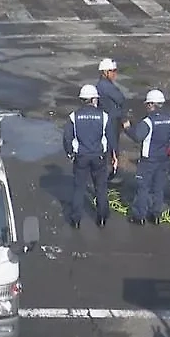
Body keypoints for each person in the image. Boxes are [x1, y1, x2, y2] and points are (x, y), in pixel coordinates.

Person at [122, 91, 170, 225]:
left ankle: (139, 216)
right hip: (164, 159)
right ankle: (156, 215)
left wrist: (127, 128)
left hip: (148, 160)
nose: (146, 107)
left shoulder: (148, 122)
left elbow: (137, 137)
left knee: (143, 188)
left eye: (147, 104)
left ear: (152, 104)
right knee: (158, 188)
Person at [62, 84, 112, 229]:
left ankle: (76, 220)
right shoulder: (104, 116)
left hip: (81, 156)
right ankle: (102, 218)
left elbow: (67, 138)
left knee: (79, 189)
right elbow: (110, 137)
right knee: (101, 188)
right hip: (98, 157)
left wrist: (70, 153)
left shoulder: (73, 116)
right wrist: (109, 154)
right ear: (94, 99)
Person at [95, 59, 126, 158]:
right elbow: (120, 99)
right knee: (112, 149)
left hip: (110, 120)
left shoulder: (103, 85)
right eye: (113, 71)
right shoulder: (106, 86)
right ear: (105, 72)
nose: (115, 74)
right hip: (111, 121)